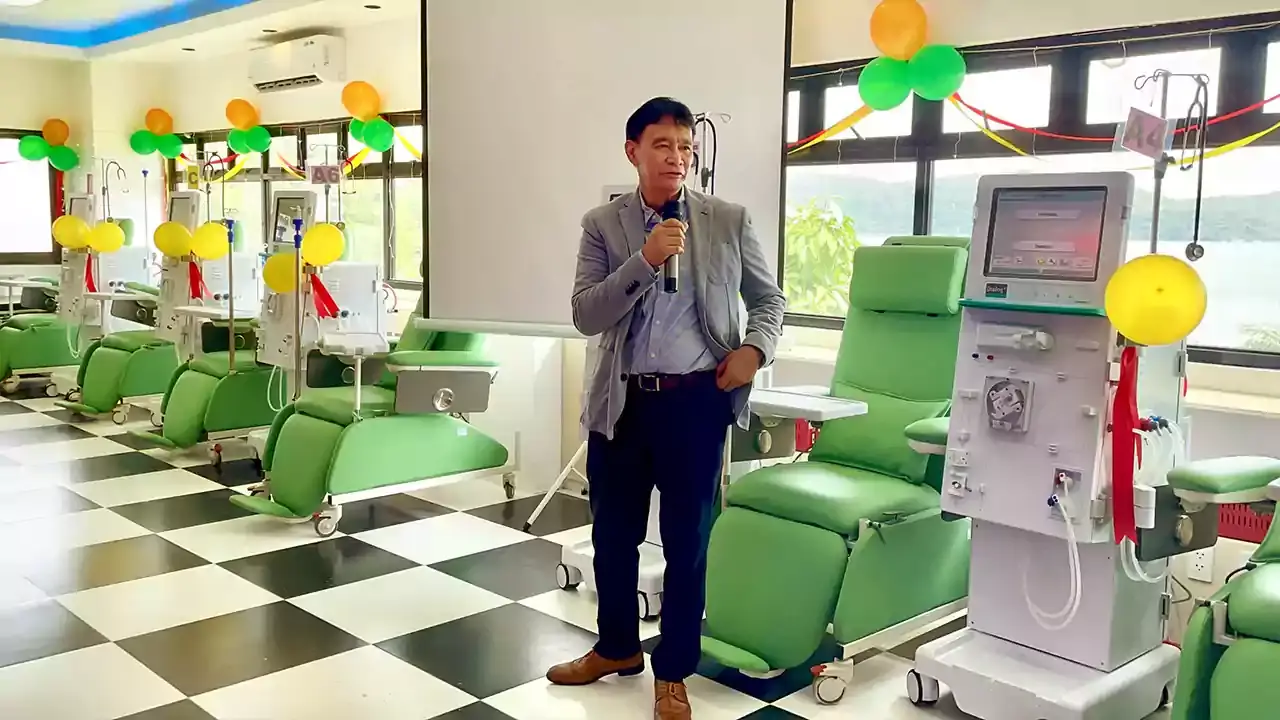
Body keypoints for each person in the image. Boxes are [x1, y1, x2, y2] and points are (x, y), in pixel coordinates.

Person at [547, 97, 786, 719]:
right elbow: (587, 314)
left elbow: (769, 301)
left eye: (685, 147)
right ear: (633, 151)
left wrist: (755, 351)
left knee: (687, 543)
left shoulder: (728, 220)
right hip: (621, 403)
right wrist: (647, 258)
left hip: (696, 404)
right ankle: (617, 648)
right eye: (662, 145)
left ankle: (673, 670)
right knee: (613, 536)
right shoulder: (603, 224)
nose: (677, 157)